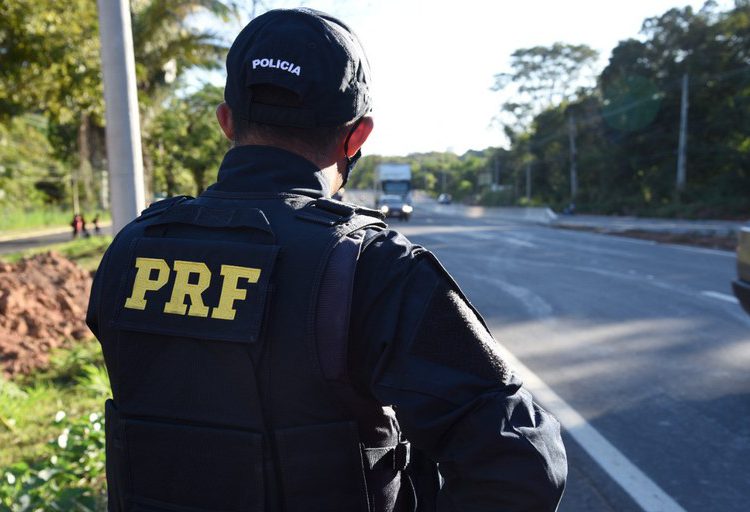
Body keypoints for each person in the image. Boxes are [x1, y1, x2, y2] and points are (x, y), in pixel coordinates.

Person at [87, 8, 566, 512]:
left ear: (226, 122)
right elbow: (523, 460)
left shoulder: (132, 247)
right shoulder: (371, 265)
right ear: (357, 136)